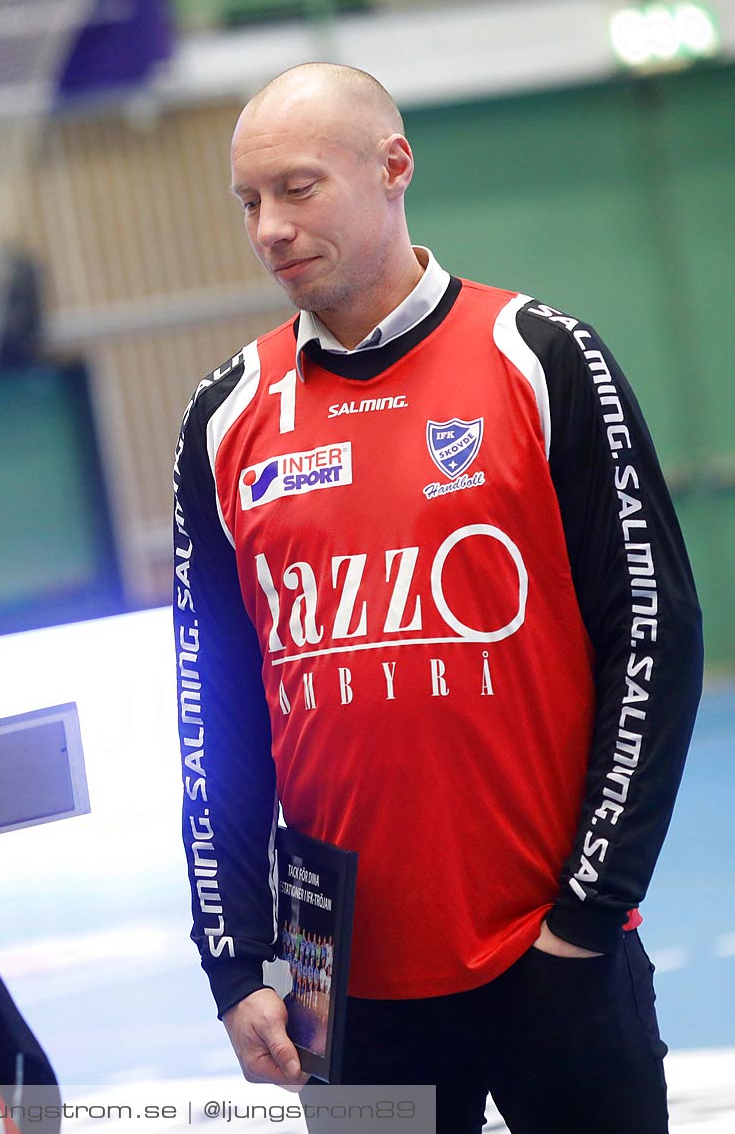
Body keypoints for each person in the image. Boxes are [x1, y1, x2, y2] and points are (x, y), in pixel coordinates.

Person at [172, 63, 700, 1132]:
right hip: (340, 987)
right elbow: (211, 712)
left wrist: (586, 921)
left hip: (551, 956)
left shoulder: (541, 358)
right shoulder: (226, 416)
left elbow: (654, 638)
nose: (269, 228)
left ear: (394, 167)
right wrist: (232, 962)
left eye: (299, 189)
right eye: (248, 203)